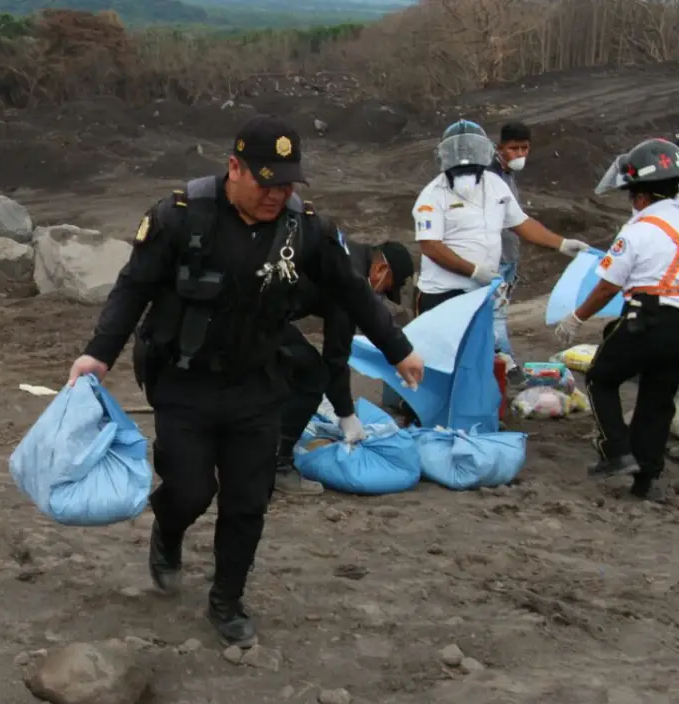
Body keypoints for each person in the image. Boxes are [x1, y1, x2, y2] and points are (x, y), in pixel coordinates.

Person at [67, 115, 426, 647]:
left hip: (255, 381)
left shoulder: (304, 229)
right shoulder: (181, 217)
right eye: (266, 181)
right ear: (234, 167)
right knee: (190, 490)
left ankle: (226, 599)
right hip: (184, 381)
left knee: (248, 498)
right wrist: (98, 355)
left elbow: (351, 291)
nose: (277, 195)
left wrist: (399, 349)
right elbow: (133, 288)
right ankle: (168, 532)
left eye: (287, 184)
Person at [554, 137, 679, 501]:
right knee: (658, 399)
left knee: (600, 377)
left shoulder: (637, 231)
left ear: (640, 195)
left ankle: (616, 451)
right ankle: (647, 480)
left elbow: (607, 287)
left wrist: (575, 318)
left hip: (647, 317)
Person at [275, 240, 415, 496]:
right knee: (311, 376)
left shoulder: (345, 253)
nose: (378, 298)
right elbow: (336, 357)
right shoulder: (350, 281)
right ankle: (277, 467)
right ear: (379, 269)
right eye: (384, 290)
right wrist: (346, 414)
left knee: (278, 372)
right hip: (255, 315)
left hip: (249, 307)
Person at [411, 120, 590, 318]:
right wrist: (474, 272)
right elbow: (430, 245)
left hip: (481, 293)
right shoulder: (432, 195)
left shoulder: (495, 185)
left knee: (482, 347)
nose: (465, 160)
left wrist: (562, 243)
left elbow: (522, 223)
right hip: (442, 294)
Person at [489, 121, 532, 383]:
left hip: (509, 255)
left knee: (500, 310)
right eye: (513, 148)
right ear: (500, 148)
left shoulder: (507, 175)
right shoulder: (490, 176)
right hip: (496, 258)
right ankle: (507, 364)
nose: (519, 154)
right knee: (497, 313)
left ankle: (500, 361)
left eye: (524, 148)